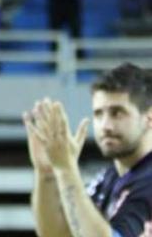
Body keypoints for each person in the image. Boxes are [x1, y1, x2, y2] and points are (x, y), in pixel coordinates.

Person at [24, 63, 152, 237]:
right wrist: (47, 172)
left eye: (117, 113)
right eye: (98, 114)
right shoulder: (111, 177)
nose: (105, 125)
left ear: (149, 119)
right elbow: (57, 234)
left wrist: (66, 169)